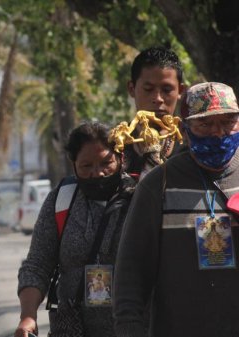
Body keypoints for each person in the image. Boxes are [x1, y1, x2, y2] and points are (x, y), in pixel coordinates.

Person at [114, 82, 239, 337]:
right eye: (206, 124)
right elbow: (131, 273)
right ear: (186, 128)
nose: (218, 133)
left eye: (228, 122)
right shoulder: (158, 185)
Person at [15, 121, 136, 337]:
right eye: (86, 166)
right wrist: (28, 316)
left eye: (106, 162)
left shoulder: (141, 198)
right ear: (74, 166)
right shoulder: (61, 201)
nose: (97, 173)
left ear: (121, 159)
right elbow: (37, 265)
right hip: (72, 329)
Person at [124, 46, 186, 179]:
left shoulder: (192, 146)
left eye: (167, 90)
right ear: (131, 89)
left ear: (180, 91)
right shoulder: (114, 147)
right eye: (148, 89)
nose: (158, 99)